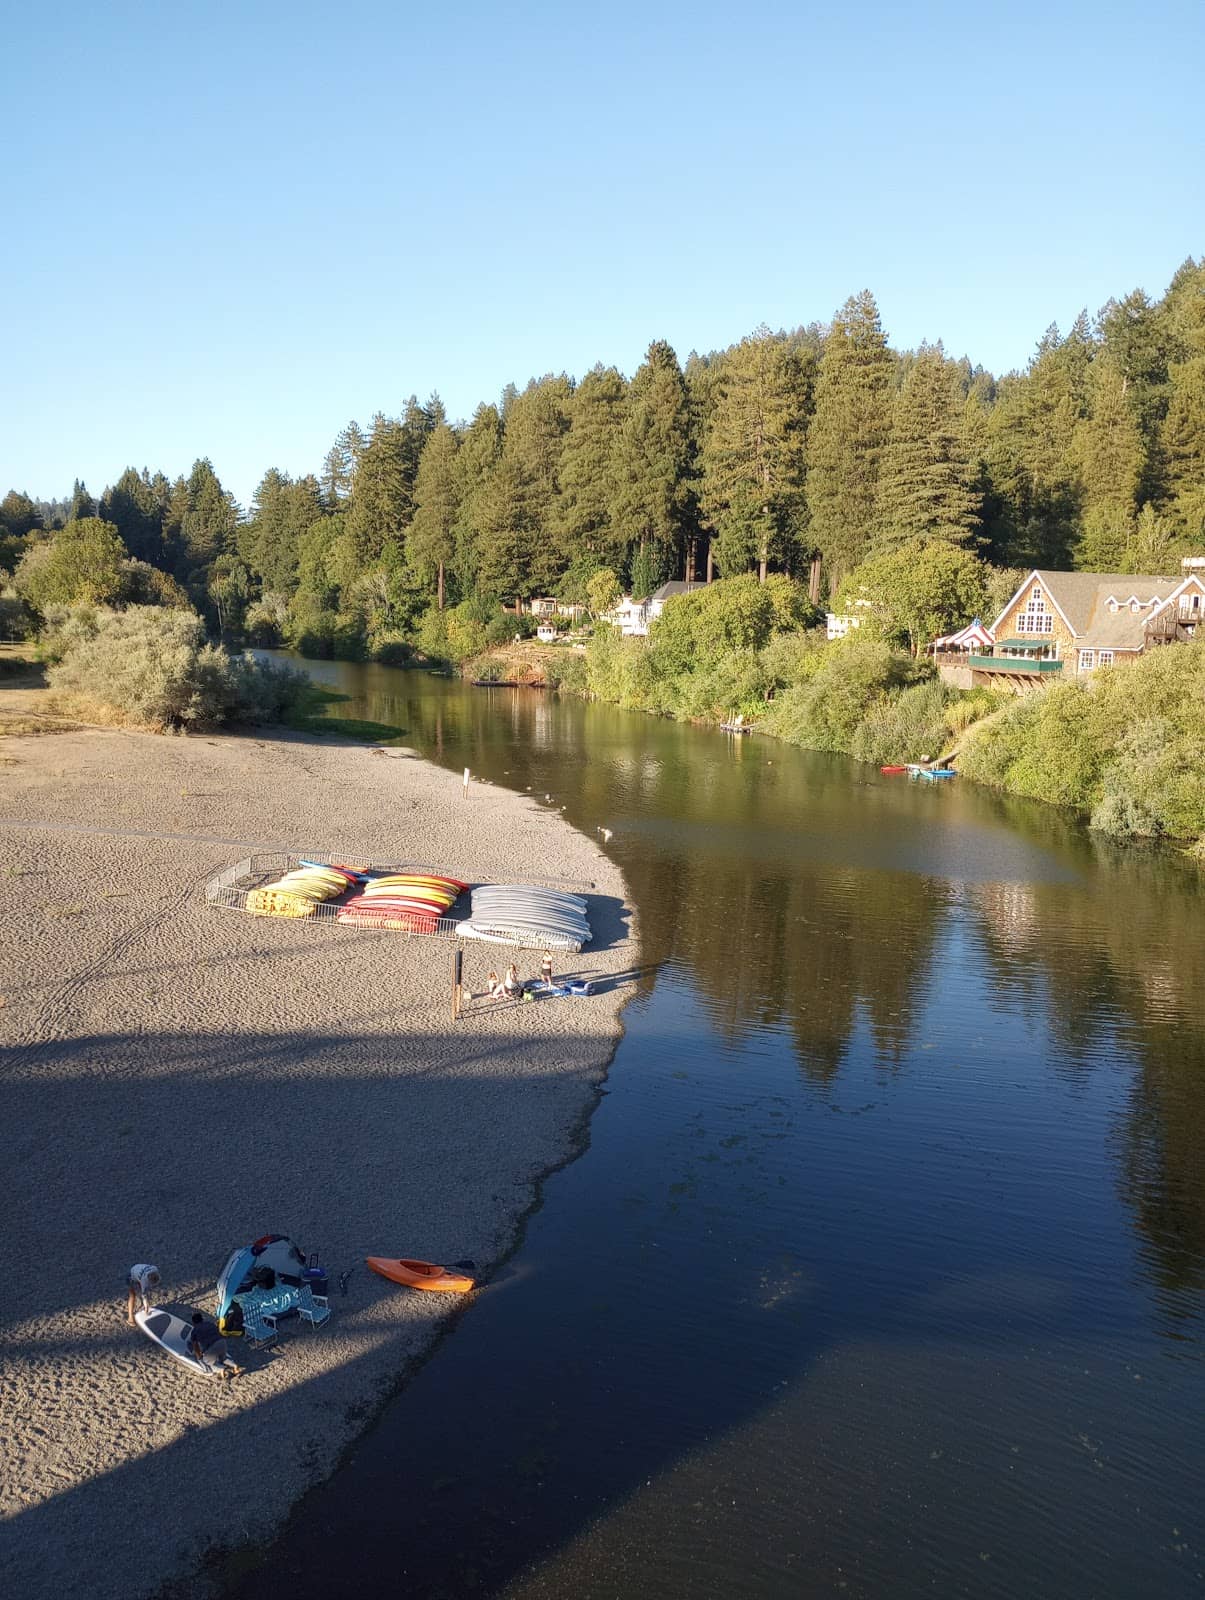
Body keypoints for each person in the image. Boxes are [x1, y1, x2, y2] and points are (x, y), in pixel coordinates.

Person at [188, 1311, 243, 1380]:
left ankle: (221, 1369)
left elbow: (196, 1346)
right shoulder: (210, 1324)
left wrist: (199, 1357)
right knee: (223, 1358)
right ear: (202, 1319)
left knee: (206, 1361)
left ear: (193, 1322)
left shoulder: (194, 1331)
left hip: (213, 1347)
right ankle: (235, 1366)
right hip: (222, 1342)